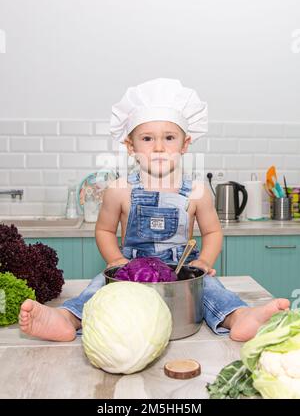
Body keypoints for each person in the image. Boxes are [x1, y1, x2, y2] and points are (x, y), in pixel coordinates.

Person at [19, 78, 289, 342]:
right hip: (131, 269)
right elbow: (103, 230)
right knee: (99, 289)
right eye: (147, 138)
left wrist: (204, 262)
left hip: (182, 270)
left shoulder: (197, 191)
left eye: (169, 138)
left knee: (212, 289)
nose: (159, 147)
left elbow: (213, 231)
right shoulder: (119, 189)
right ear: (130, 146)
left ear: (184, 144)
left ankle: (238, 316)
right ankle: (68, 319)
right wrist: (115, 260)